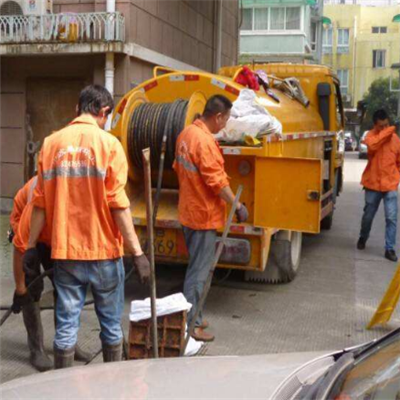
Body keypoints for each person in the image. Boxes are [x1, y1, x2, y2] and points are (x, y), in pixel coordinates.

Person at [24, 85, 150, 369]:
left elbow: (40, 203)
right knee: (110, 325)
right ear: (103, 112)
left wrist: (31, 247)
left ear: (77, 110)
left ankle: (63, 388)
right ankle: (110, 386)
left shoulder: (50, 144)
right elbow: (119, 204)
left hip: (66, 252)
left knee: (66, 325)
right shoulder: (109, 145)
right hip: (104, 252)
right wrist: (138, 253)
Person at [173, 95, 249, 342]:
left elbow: (179, 169)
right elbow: (217, 182)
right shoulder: (204, 142)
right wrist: (237, 204)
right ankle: (191, 326)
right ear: (217, 116)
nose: (225, 126)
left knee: (197, 269)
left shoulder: (186, 134)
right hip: (203, 216)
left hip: (189, 211)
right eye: (225, 120)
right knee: (199, 274)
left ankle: (196, 315)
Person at [9, 176, 91, 372]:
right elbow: (20, 248)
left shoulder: (77, 198)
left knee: (65, 286)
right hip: (30, 235)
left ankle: (65, 343)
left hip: (54, 235)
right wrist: (21, 289)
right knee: (32, 287)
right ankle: (36, 349)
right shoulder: (35, 210)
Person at [357, 109, 400, 262]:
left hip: (390, 184)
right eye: (381, 126)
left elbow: (399, 162)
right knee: (368, 216)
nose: (385, 128)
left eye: (387, 125)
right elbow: (373, 146)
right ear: (375, 125)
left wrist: (396, 177)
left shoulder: (396, 139)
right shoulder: (370, 136)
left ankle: (390, 248)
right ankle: (363, 237)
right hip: (373, 184)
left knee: (392, 218)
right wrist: (389, 131)